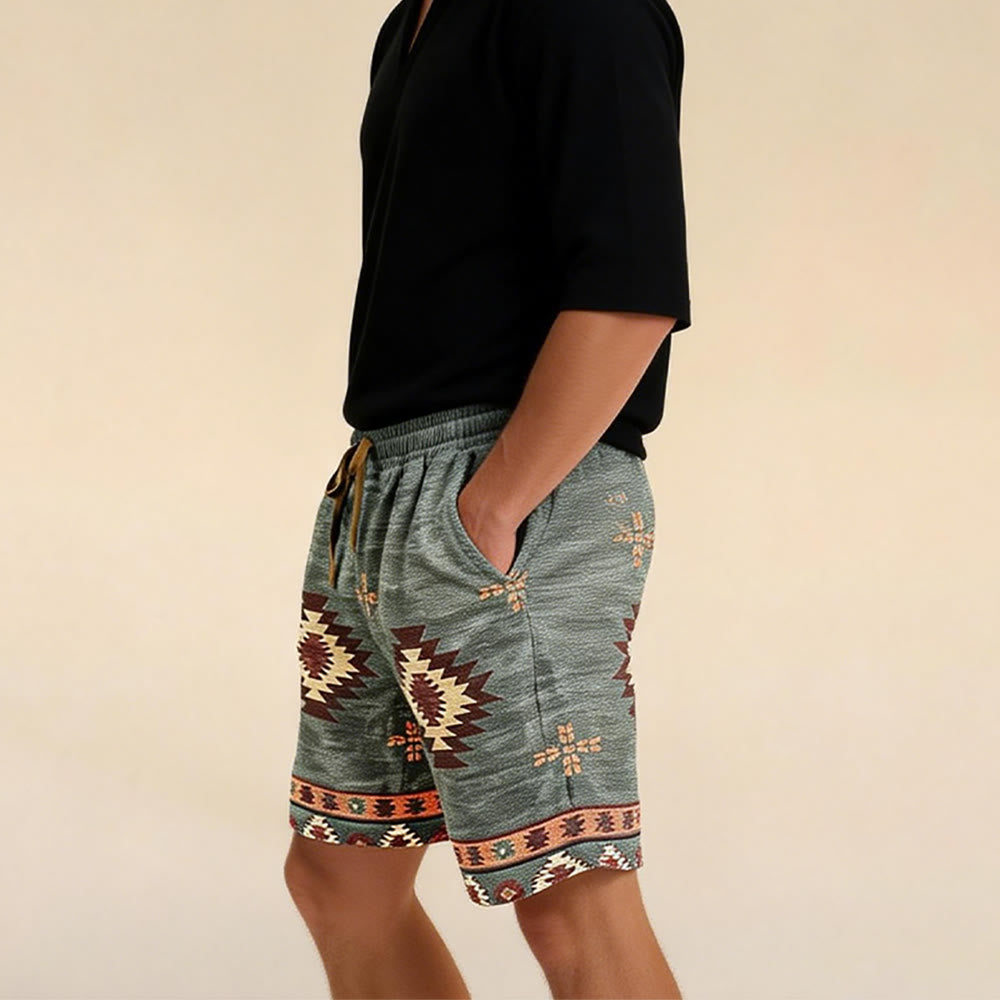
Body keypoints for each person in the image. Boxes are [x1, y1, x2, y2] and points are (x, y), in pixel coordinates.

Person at [283, 0, 692, 996]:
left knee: (571, 900)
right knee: (340, 878)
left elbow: (632, 292)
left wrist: (491, 510)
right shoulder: (416, 19)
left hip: (517, 495)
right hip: (382, 486)